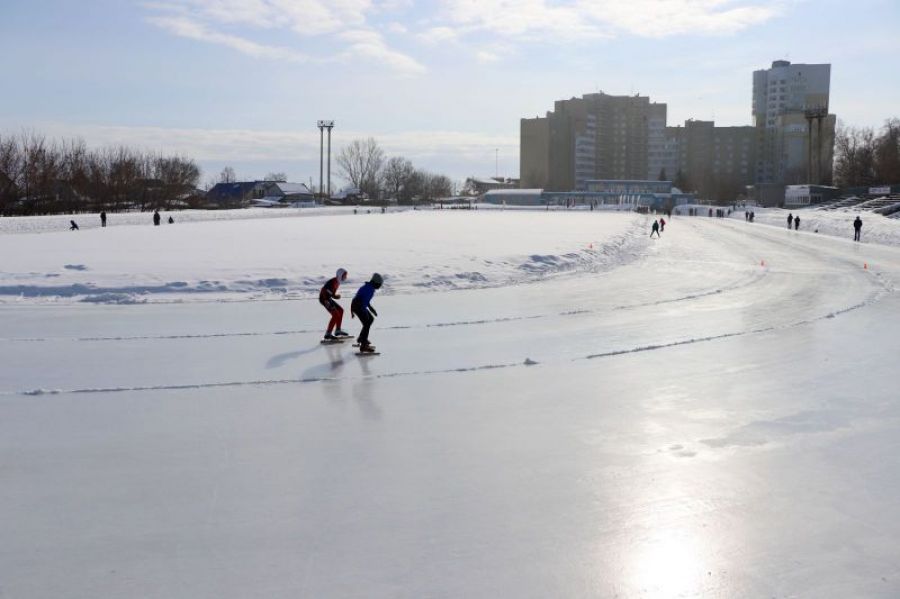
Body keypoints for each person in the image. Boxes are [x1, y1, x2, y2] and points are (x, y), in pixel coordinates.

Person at [351, 273, 382, 352]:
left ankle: (361, 338)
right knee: (367, 323)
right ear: (375, 283)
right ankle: (363, 345)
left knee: (370, 319)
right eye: (379, 285)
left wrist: (372, 309)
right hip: (358, 307)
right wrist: (363, 312)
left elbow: (366, 301)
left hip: (359, 306)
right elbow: (360, 301)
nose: (379, 286)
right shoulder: (369, 289)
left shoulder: (369, 287)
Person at [319, 268, 350, 341]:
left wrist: (335, 296)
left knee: (341, 310)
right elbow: (323, 290)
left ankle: (338, 330)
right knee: (335, 315)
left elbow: (330, 292)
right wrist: (326, 301)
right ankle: (328, 334)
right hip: (324, 299)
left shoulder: (337, 281)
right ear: (340, 275)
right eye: (344, 275)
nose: (346, 277)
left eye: (346, 275)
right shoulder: (333, 281)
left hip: (328, 298)